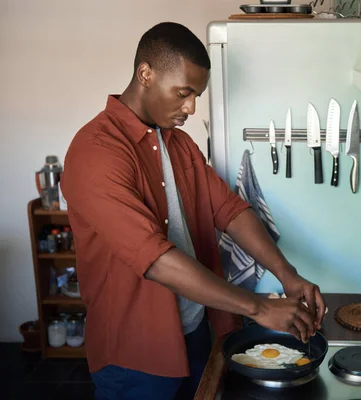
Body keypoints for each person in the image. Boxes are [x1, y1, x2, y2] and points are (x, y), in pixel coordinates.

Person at [61, 21, 326, 400]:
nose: (191, 107)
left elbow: (230, 209)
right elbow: (152, 257)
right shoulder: (95, 151)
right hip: (135, 355)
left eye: (196, 95)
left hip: (198, 330)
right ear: (145, 74)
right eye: (184, 93)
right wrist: (257, 308)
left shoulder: (179, 144)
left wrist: (288, 274)